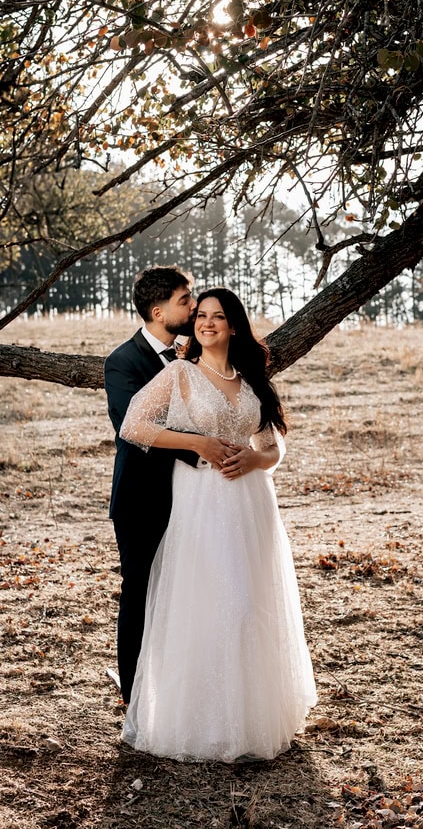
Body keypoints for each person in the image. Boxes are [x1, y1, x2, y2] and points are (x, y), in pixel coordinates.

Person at [118, 288, 317, 762]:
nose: (207, 322)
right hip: (201, 499)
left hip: (250, 502)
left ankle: (250, 722)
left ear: (233, 326)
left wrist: (255, 458)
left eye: (218, 316)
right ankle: (199, 724)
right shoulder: (179, 374)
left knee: (251, 604)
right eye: (200, 315)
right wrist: (198, 443)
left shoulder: (252, 379)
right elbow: (133, 425)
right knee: (209, 602)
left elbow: (275, 446)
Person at [104, 265, 197, 706]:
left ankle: (179, 688)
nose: (194, 307)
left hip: (193, 498)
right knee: (140, 591)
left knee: (188, 590)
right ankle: (133, 693)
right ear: (158, 311)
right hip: (141, 498)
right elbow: (134, 428)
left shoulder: (195, 358)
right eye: (185, 300)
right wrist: (203, 448)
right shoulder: (123, 362)